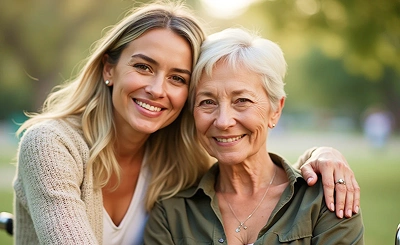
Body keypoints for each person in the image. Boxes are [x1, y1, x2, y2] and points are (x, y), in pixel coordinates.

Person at [13, 2, 359, 245]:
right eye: (143, 66)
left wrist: (323, 155)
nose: (157, 89)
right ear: (108, 69)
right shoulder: (51, 145)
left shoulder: (178, 160)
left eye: (177, 78)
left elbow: (248, 165)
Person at [143, 28, 364, 244]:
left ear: (276, 109)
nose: (223, 121)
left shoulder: (327, 200)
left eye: (242, 101)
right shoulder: (171, 215)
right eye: (207, 102)